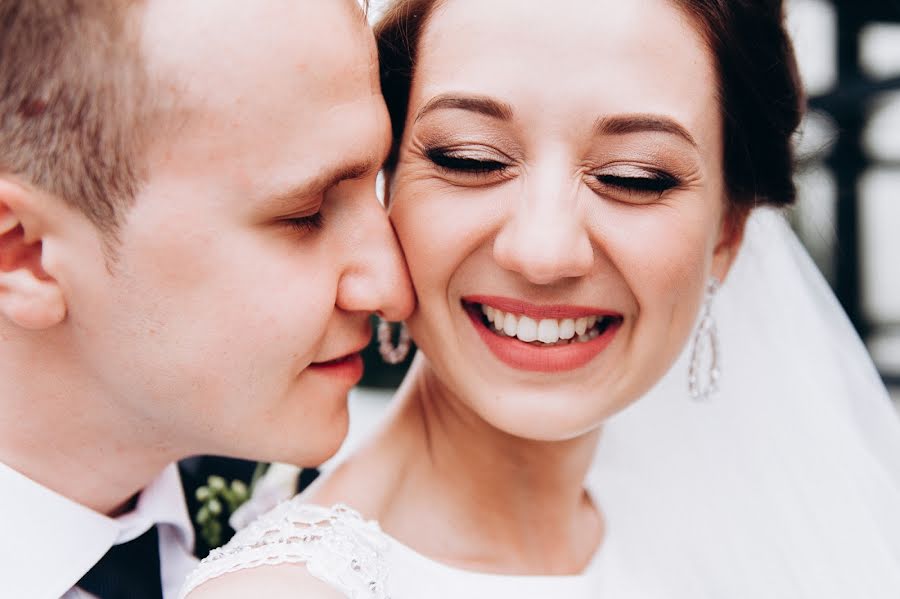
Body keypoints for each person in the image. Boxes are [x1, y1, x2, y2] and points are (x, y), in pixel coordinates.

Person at [181, 0, 900, 597]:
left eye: (634, 176)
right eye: (472, 160)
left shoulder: (738, 536)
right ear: (386, 183)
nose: (544, 252)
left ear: (728, 232)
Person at [0, 0, 413, 597]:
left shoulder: (321, 520)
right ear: (26, 256)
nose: (393, 288)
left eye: (378, 183)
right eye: (305, 215)